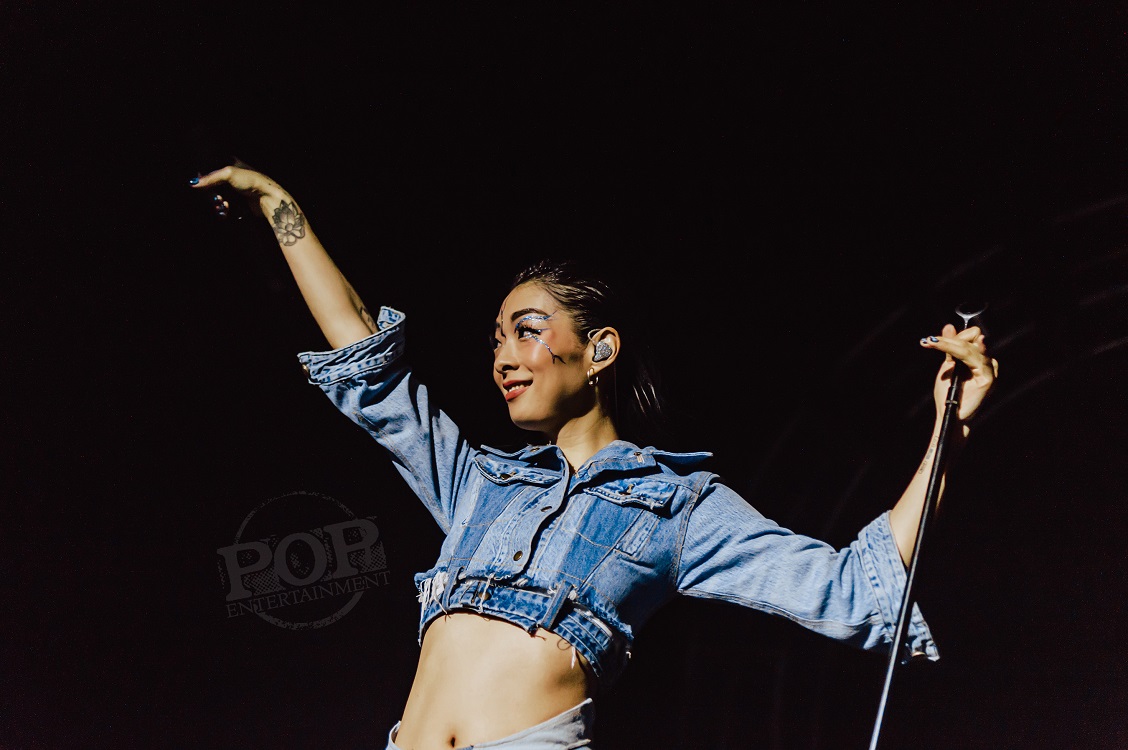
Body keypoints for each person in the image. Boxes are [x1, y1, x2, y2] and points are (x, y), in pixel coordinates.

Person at [190, 164, 999, 750]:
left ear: (599, 350)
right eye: (497, 340)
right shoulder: (478, 484)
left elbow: (852, 587)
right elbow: (368, 362)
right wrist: (279, 205)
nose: (504, 358)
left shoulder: (678, 507)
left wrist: (949, 432)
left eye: (527, 332)